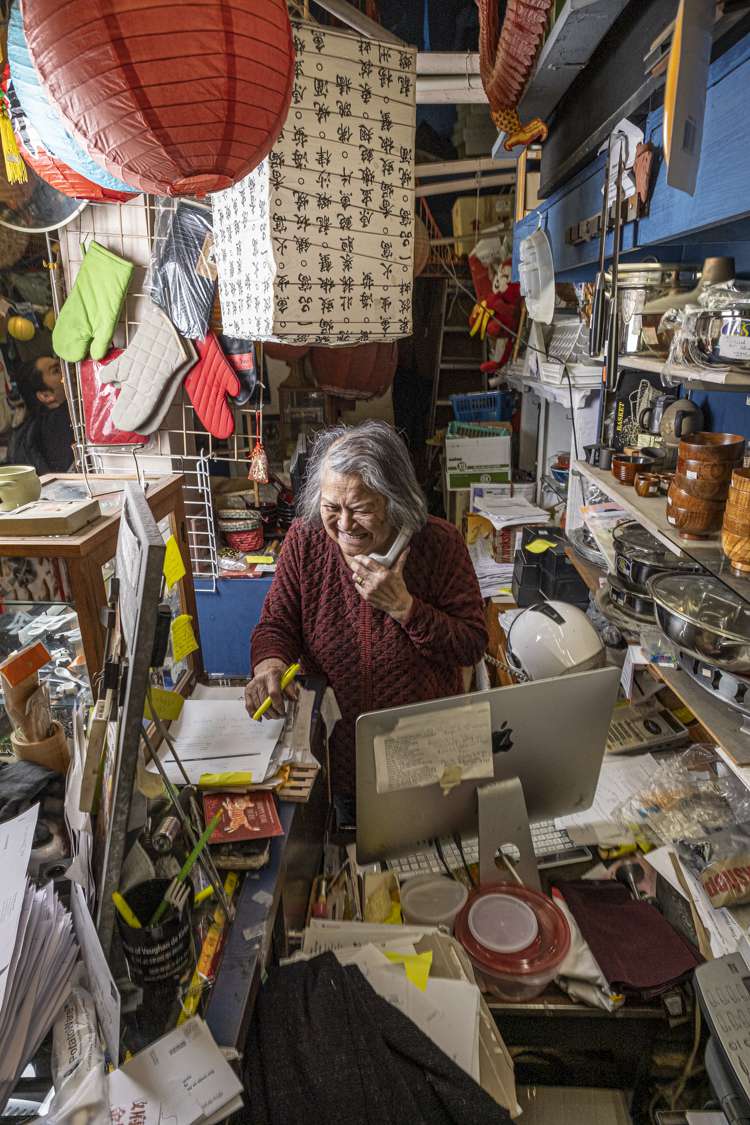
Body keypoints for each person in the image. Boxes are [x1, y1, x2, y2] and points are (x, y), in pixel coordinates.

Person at [245, 420, 489, 798]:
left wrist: (405, 609)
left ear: (395, 499)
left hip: (424, 759)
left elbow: (471, 644)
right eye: (331, 507)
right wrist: (270, 665)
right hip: (334, 756)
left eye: (360, 509)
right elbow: (276, 624)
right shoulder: (305, 541)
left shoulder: (440, 544)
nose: (343, 524)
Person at [9, 356, 74, 473]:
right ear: (46, 396)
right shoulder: (59, 423)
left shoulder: (41, 425)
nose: (68, 370)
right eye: (56, 370)